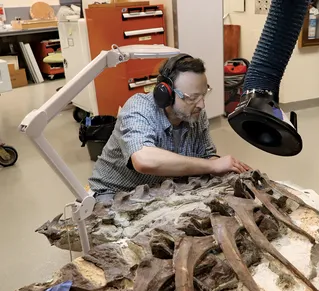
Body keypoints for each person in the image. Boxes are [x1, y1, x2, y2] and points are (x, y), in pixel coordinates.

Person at [88, 53, 250, 202]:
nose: (201, 104)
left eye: (203, 94)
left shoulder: (195, 113)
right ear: (165, 94)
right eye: (192, 97)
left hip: (160, 190)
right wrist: (213, 165)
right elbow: (143, 160)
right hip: (116, 193)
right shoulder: (138, 108)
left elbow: (207, 156)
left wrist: (222, 165)